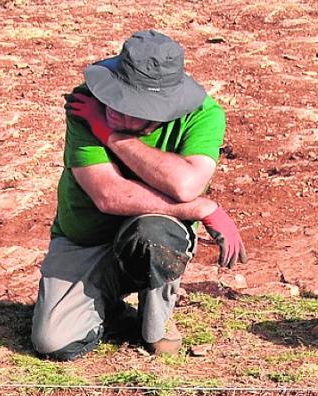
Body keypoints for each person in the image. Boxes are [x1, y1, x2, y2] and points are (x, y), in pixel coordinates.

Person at [31, 29, 247, 360]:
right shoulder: (86, 102)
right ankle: (110, 310)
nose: (115, 109)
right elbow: (107, 194)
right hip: (85, 238)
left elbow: (185, 185)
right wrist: (201, 208)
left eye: (133, 105)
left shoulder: (204, 115)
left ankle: (157, 321)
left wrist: (109, 134)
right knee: (53, 342)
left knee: (154, 230)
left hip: (149, 233)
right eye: (116, 96)